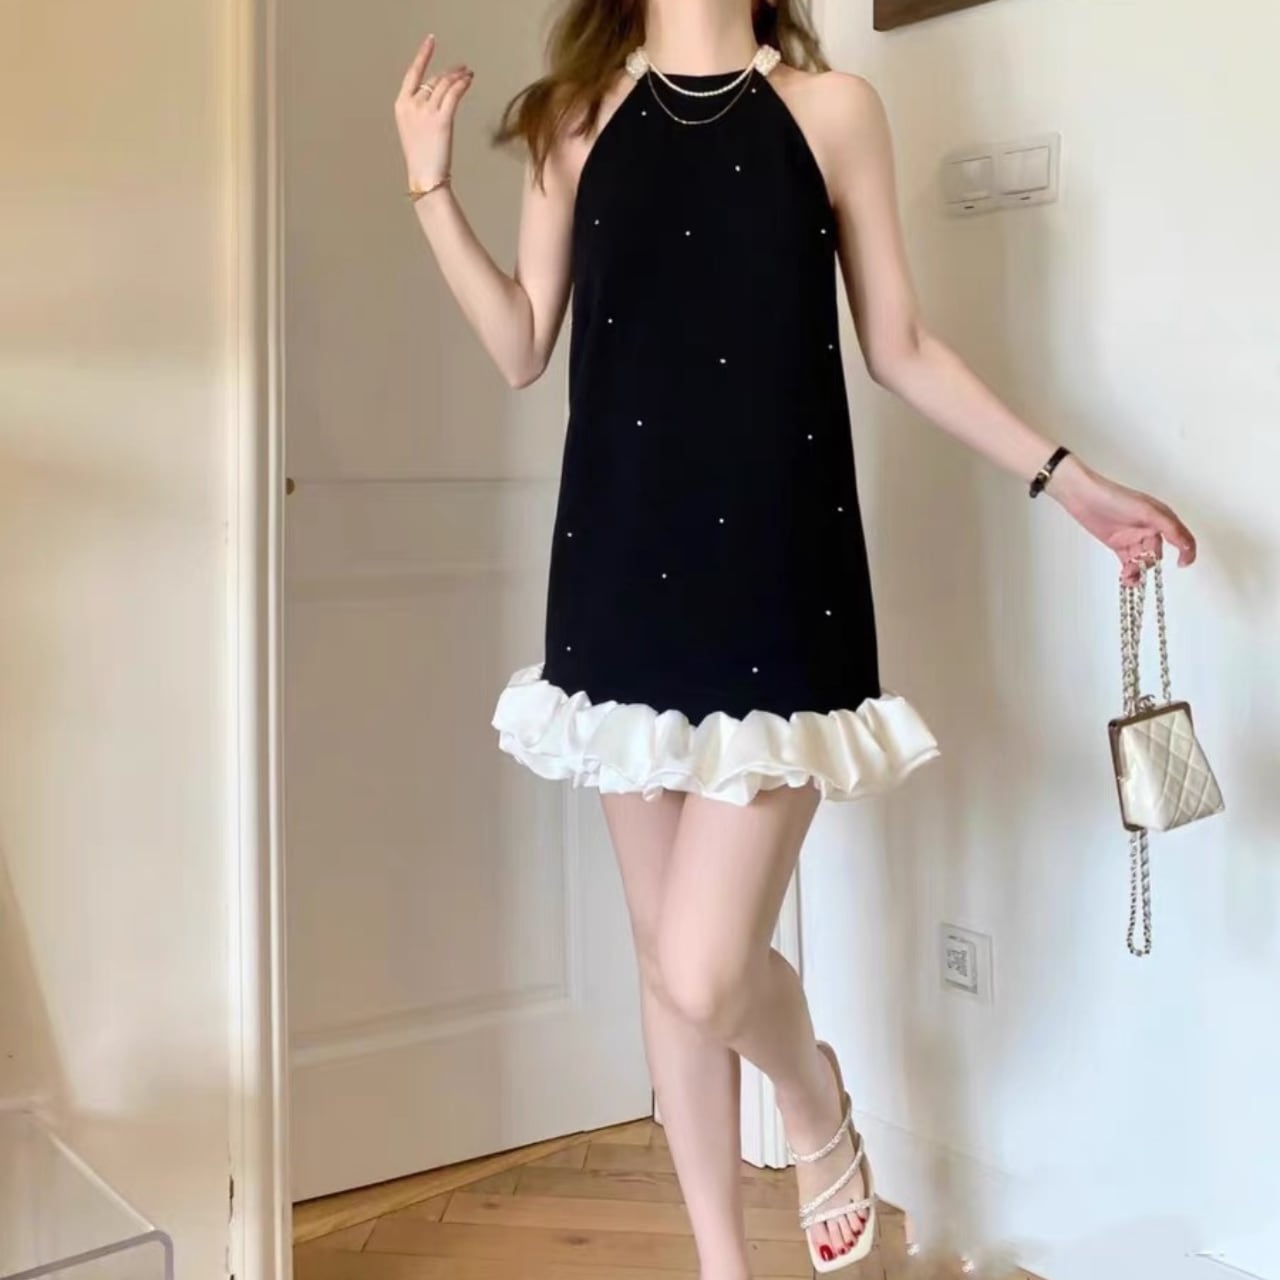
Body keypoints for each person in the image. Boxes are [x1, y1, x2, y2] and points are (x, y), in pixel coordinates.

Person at [393, 1, 1196, 1273]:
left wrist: (1072, 484)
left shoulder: (831, 114)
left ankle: (812, 1097)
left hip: (777, 573)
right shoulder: (572, 122)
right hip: (615, 578)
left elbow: (900, 345)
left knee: (705, 966)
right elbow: (519, 344)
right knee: (662, 958)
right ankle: (722, 1260)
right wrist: (431, 190)